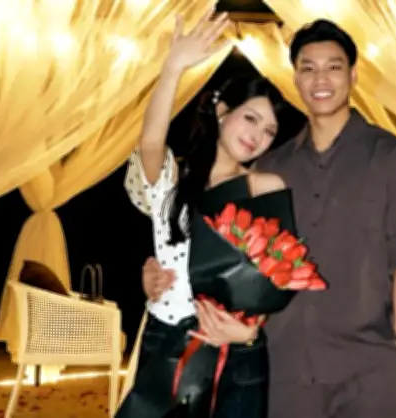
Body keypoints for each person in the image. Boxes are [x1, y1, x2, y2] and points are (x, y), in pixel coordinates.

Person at [143, 19, 396, 418]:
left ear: (353, 75)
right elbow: (237, 259)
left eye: (333, 67)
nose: (320, 78)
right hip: (284, 367)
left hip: (370, 367)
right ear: (295, 78)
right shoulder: (270, 170)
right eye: (308, 68)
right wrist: (156, 271)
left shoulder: (395, 159)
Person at [117, 9, 290, 418]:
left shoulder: (266, 188)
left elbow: (278, 272)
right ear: (222, 111)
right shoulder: (172, 180)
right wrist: (173, 67)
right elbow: (150, 141)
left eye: (269, 131)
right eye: (251, 118)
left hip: (236, 348)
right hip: (167, 338)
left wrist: (250, 330)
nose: (258, 136)